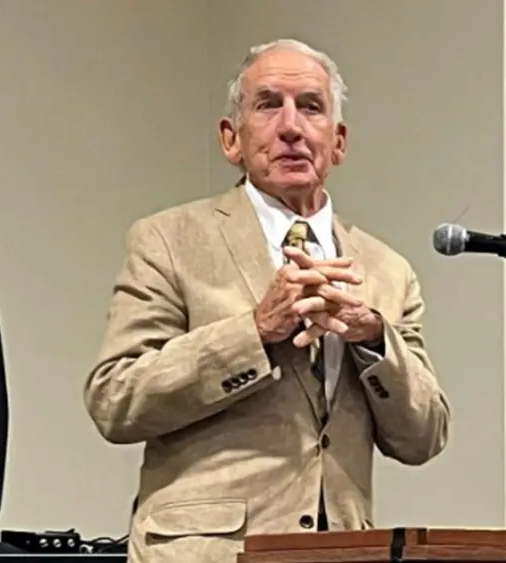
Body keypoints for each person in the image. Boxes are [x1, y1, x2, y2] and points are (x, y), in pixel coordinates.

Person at [83, 38, 451, 562]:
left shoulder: (387, 271)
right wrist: (254, 331)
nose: (291, 127)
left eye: (311, 107)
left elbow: (424, 437)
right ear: (231, 139)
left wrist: (372, 338)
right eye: (268, 105)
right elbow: (115, 400)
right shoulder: (168, 241)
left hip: (341, 552)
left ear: (338, 142)